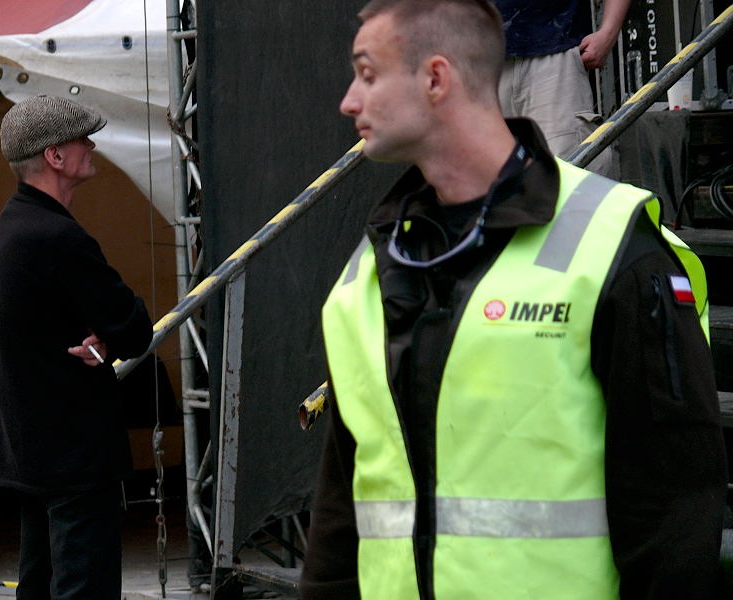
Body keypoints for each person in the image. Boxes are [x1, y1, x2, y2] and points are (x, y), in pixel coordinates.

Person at [300, 1, 728, 598]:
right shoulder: (367, 275)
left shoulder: (608, 243)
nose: (349, 100)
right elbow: (341, 517)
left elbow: (675, 511)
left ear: (436, 78)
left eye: (368, 73)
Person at [0, 94, 153, 600]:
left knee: (41, 583)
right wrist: (111, 334)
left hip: (34, 455)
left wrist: (101, 336)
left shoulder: (8, 228)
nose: (91, 145)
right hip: (71, 455)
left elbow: (52, 326)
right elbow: (134, 325)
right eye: (81, 138)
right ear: (55, 156)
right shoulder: (55, 236)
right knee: (82, 588)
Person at [495, 0, 630, 177]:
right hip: (473, 58)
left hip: (555, 52)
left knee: (571, 180)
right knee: (482, 188)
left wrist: (609, 32)